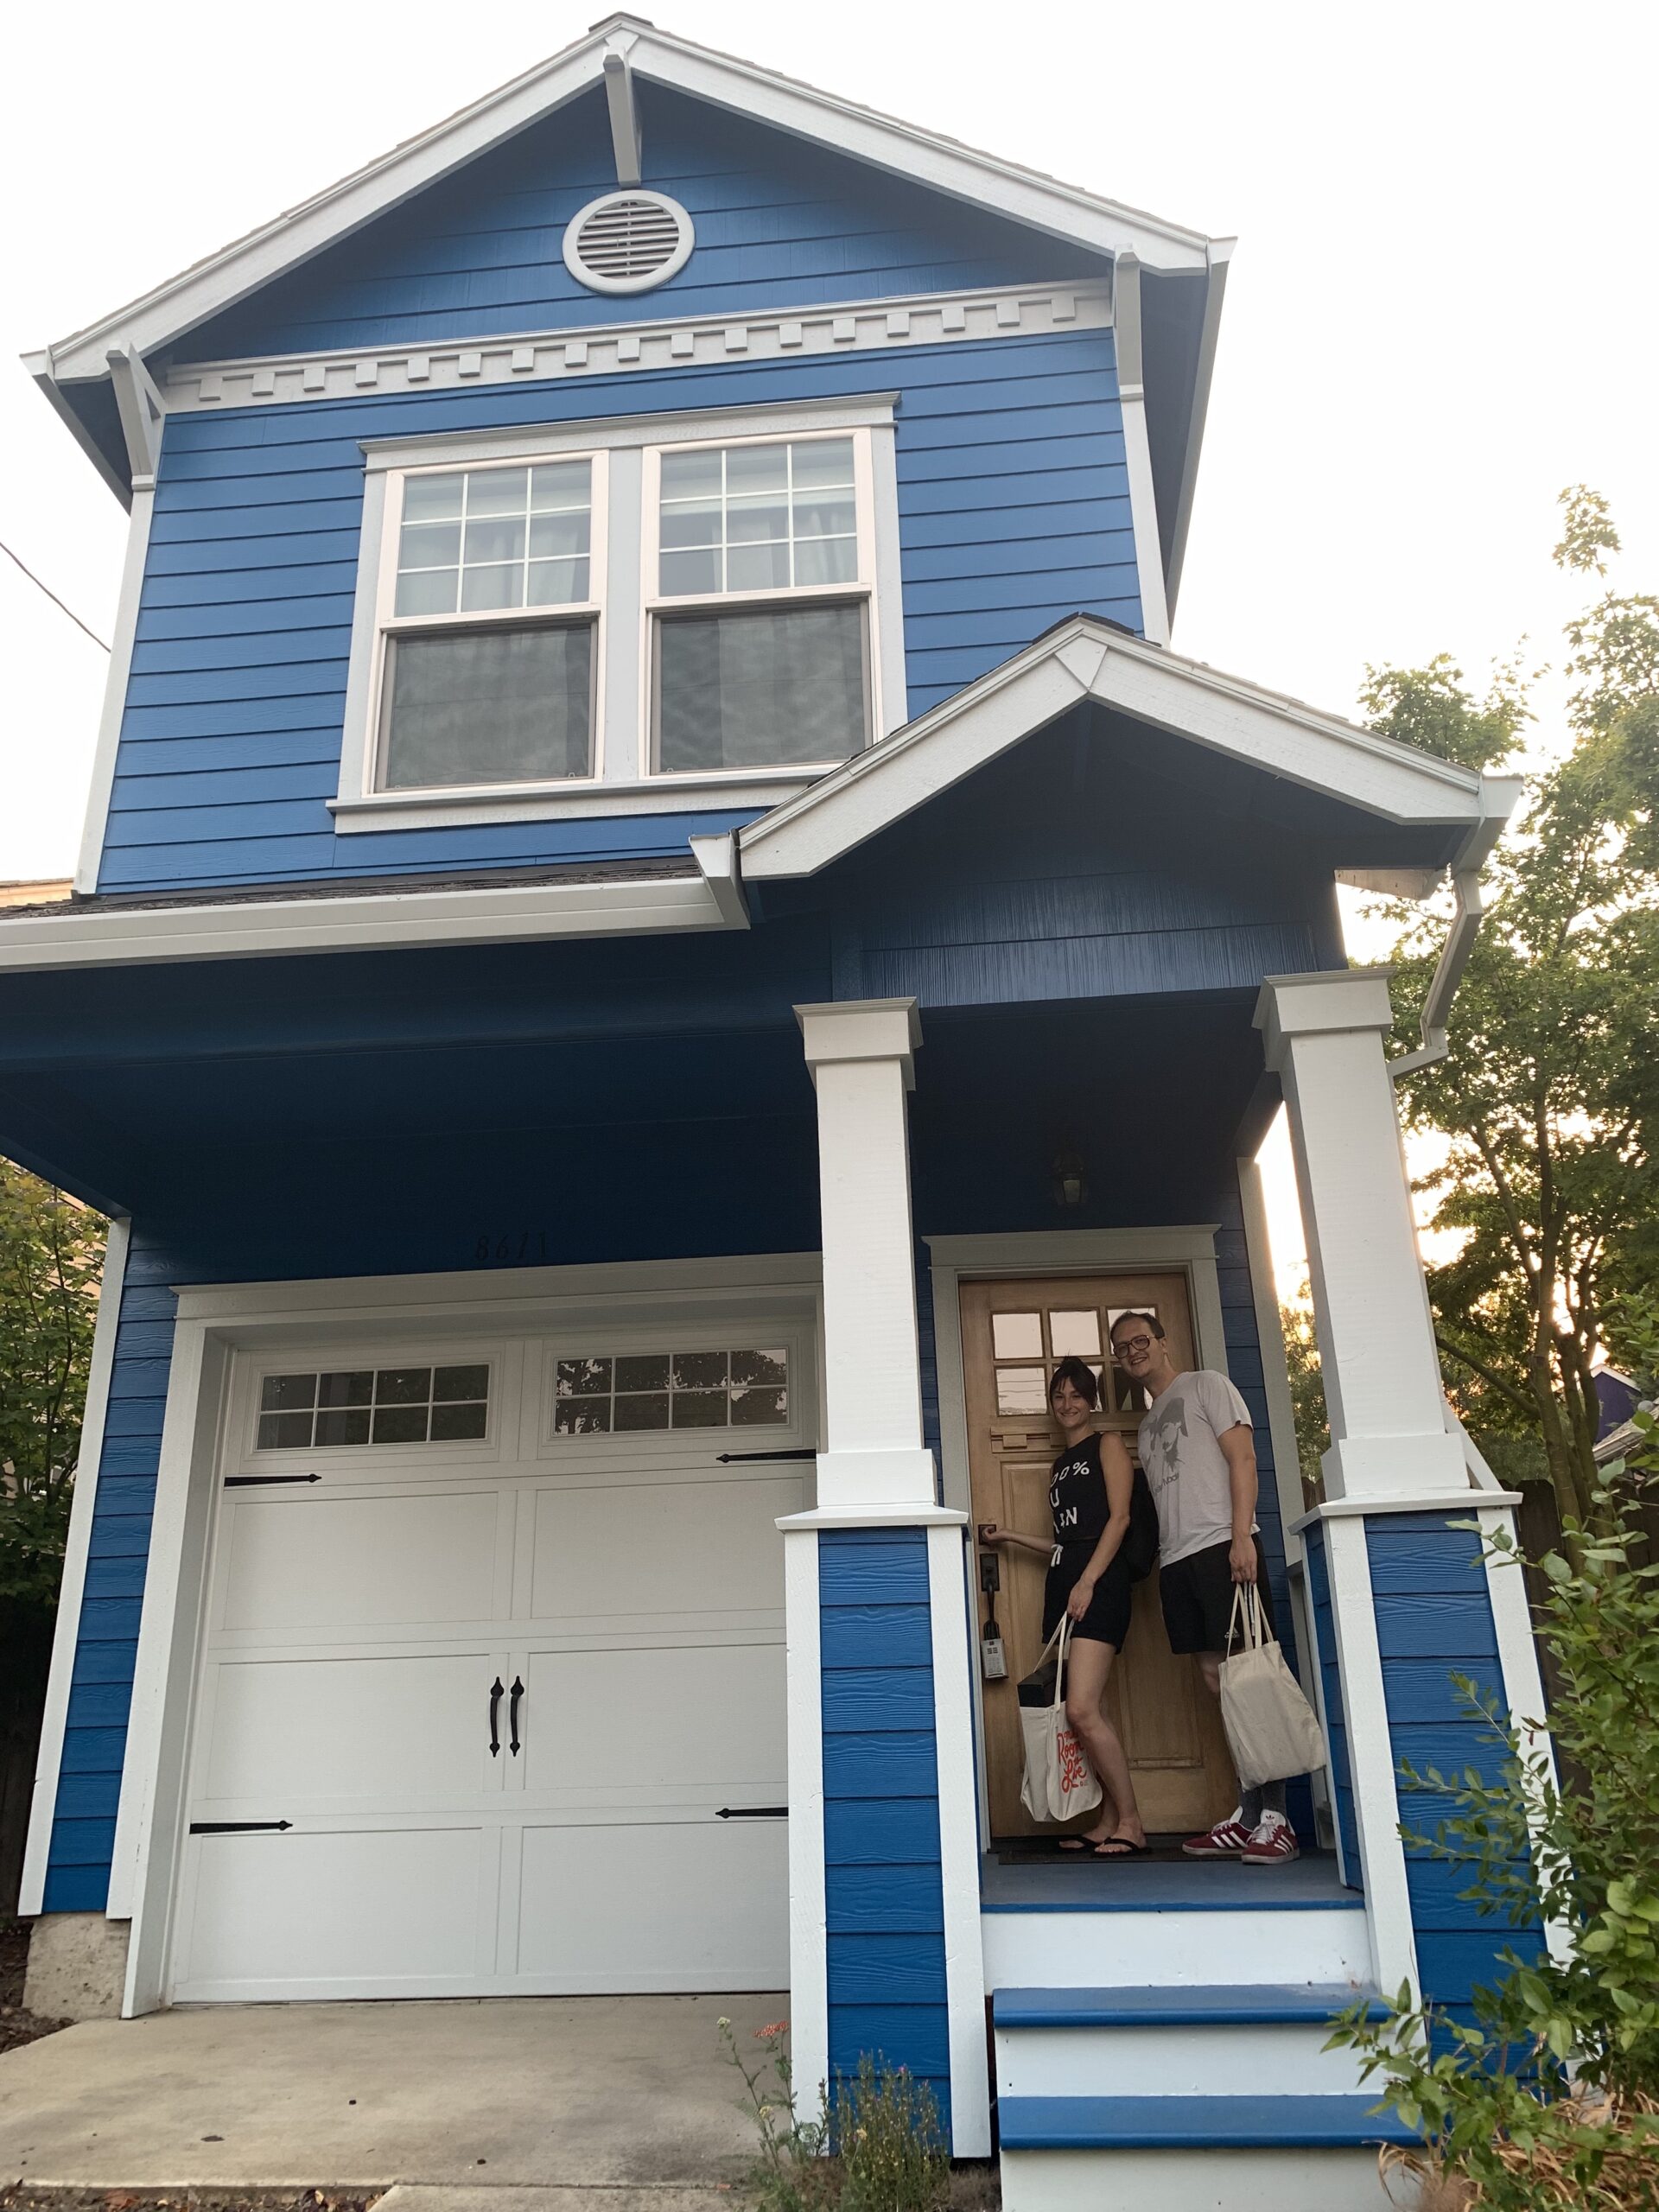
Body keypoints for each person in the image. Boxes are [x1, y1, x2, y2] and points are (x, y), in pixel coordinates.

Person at [1109, 1310, 1300, 1866]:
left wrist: (1242, 1537)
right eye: (1123, 1348)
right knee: (1218, 1681)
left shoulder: (1207, 1385)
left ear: (1162, 1342)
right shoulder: (1145, 1429)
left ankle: (1277, 1818)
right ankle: (1247, 1815)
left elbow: (1243, 1458)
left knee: (1253, 1679)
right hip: (1178, 1562)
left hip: (1223, 1546)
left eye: (1141, 1340)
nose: (1133, 1351)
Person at [981, 1357, 1147, 1858]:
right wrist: (1008, 1535)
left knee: (1081, 1709)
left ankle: (1133, 1823)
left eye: (1077, 1395)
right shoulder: (1058, 1467)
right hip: (1067, 1583)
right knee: (1081, 1711)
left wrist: (1089, 1581)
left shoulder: (1108, 1445)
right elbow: (1062, 1542)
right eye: (1059, 1396)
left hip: (1099, 1584)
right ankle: (1108, 1820)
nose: (1067, 1404)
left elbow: (1119, 1520)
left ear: (1091, 1402)